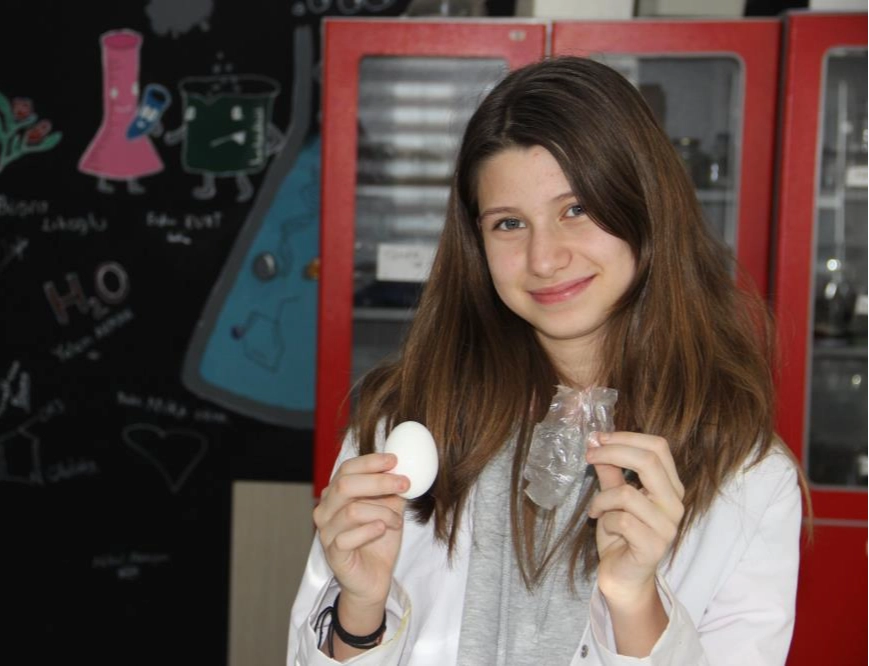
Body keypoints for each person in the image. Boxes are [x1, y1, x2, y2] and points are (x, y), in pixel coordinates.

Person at [288, 56, 806, 665]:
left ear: (644, 207)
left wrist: (636, 604)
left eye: (576, 209)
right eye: (509, 223)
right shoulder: (405, 424)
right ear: (477, 243)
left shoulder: (747, 477)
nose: (543, 258)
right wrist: (360, 612)